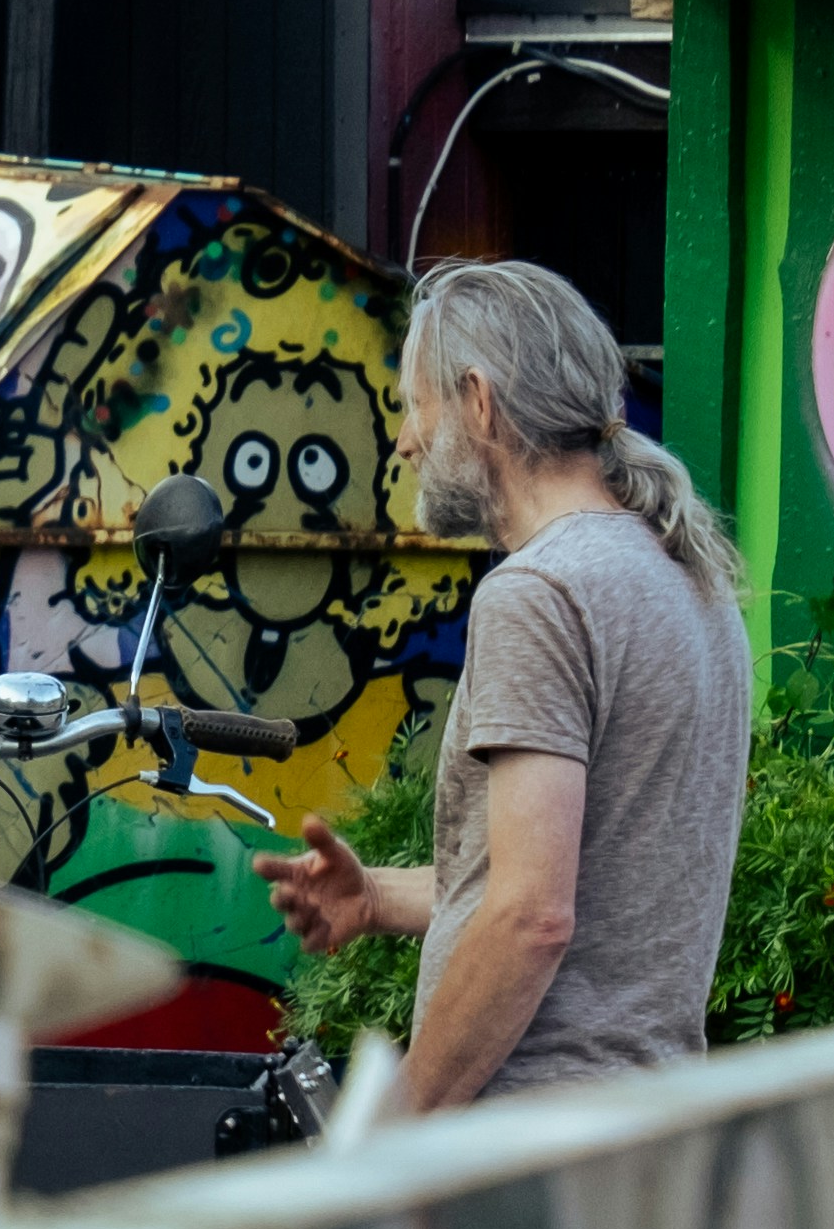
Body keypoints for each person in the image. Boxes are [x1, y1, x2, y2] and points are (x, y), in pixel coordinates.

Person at [258, 256, 750, 1108]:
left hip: (536, 1140)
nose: (406, 440)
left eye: (416, 406)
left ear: (479, 403)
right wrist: (373, 896)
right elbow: (591, 881)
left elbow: (533, 918)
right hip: (645, 1126)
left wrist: (396, 1121)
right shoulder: (686, 573)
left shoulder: (538, 593)